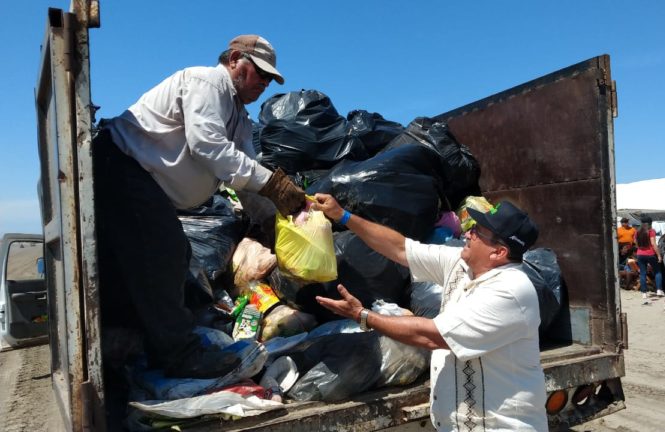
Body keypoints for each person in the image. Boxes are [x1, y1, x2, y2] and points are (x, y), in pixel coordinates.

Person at [92, 35, 306, 379]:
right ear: (234, 60)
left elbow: (245, 173)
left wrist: (272, 220)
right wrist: (275, 186)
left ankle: (135, 342)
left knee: (172, 256)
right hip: (122, 165)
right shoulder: (206, 83)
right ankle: (180, 356)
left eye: (270, 79)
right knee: (163, 252)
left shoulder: (239, 117)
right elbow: (209, 147)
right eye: (260, 73)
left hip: (146, 181)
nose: (264, 83)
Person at [312, 194, 548, 431]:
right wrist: (342, 215)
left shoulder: (511, 290)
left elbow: (431, 336)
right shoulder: (462, 264)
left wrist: (362, 315)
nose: (467, 234)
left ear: (499, 252)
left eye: (477, 232)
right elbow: (401, 248)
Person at [635, 215, 663, 300]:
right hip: (650, 253)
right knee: (657, 271)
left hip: (640, 254)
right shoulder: (651, 231)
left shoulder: (637, 231)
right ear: (650, 223)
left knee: (643, 273)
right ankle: (659, 290)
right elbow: (653, 244)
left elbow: (635, 243)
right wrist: (659, 255)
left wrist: (640, 248)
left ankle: (644, 293)